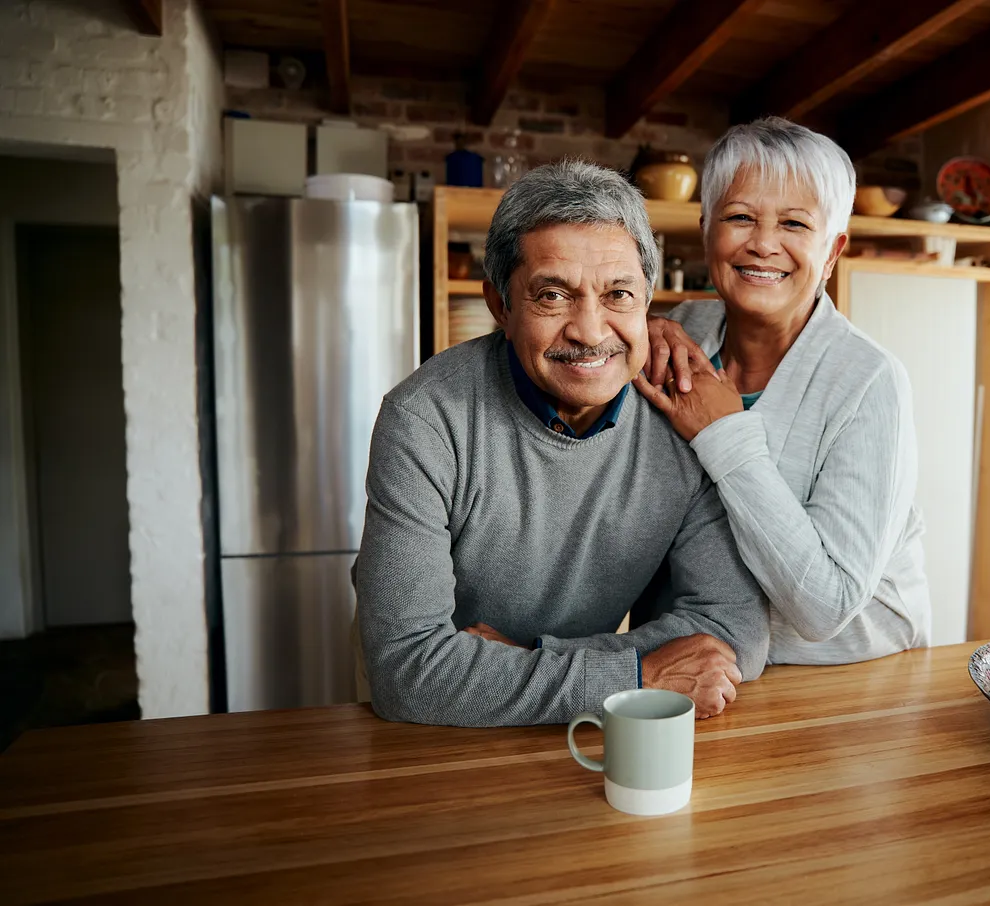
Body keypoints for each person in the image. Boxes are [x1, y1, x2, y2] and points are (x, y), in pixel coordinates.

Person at [355, 160, 769, 727]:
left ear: (648, 301)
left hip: (585, 731)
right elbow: (409, 672)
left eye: (619, 295)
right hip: (439, 735)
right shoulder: (425, 420)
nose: (591, 331)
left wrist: (528, 661)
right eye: (553, 296)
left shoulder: (683, 412)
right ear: (499, 305)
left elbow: (732, 631)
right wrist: (635, 678)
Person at [634, 117, 930, 665]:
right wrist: (633, 323)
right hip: (689, 660)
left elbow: (826, 608)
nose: (764, 244)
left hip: (847, 677)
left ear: (833, 249)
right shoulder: (681, 334)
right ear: (706, 231)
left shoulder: (870, 381)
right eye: (740, 217)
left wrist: (724, 432)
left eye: (795, 224)